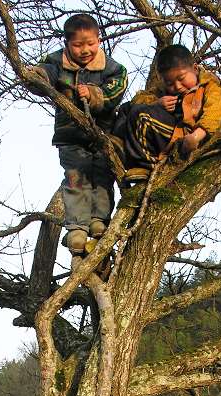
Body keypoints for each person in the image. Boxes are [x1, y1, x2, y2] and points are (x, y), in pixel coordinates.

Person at [34, 14, 128, 265]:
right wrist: (37, 76)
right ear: (66, 43)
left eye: (90, 44)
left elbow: (116, 90)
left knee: (102, 177)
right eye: (78, 45)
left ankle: (99, 221)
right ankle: (77, 228)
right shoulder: (55, 61)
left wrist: (95, 93)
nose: (85, 50)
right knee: (76, 177)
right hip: (70, 134)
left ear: (99, 40)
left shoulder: (112, 67)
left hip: (104, 134)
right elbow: (43, 73)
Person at [116, 45, 221, 182]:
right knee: (127, 107)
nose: (177, 86)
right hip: (166, 130)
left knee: (142, 117)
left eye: (181, 78)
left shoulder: (210, 86)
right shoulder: (163, 91)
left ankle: (147, 166)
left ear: (194, 68)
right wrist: (156, 104)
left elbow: (215, 112)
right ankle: (118, 144)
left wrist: (196, 136)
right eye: (169, 83)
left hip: (185, 134)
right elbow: (140, 99)